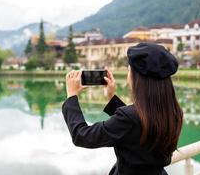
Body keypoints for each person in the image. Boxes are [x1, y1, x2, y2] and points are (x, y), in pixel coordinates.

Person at [62, 43, 183, 175]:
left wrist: (71, 97)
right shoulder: (174, 112)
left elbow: (82, 136)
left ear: (137, 78)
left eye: (129, 70)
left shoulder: (130, 118)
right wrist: (111, 97)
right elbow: (137, 125)